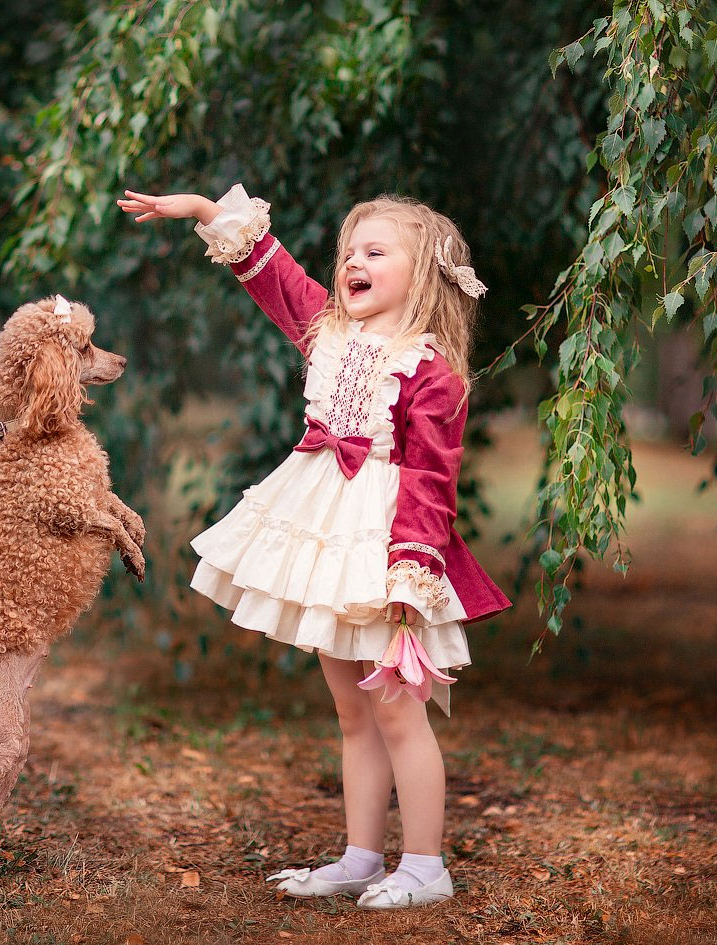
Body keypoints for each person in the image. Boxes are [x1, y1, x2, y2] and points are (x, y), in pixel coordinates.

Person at [117, 184, 511, 908]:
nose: (351, 263)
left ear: (422, 274)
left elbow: (431, 479)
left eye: (374, 251)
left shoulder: (431, 370)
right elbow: (276, 277)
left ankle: (426, 864)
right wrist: (208, 211)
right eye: (347, 253)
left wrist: (409, 577)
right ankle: (362, 854)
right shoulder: (329, 331)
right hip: (325, 535)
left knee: (396, 708)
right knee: (352, 710)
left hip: (385, 548)